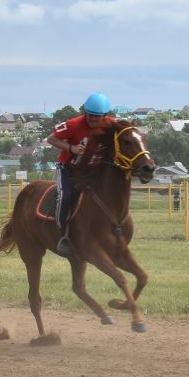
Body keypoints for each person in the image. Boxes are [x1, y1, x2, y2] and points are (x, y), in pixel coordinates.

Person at [47, 93, 123, 257]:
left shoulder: (111, 124)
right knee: (66, 196)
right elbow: (51, 139)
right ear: (85, 112)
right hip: (68, 168)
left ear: (104, 116)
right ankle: (63, 234)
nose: (93, 120)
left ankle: (112, 228)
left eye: (97, 117)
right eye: (90, 115)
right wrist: (71, 148)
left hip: (91, 170)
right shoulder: (73, 125)